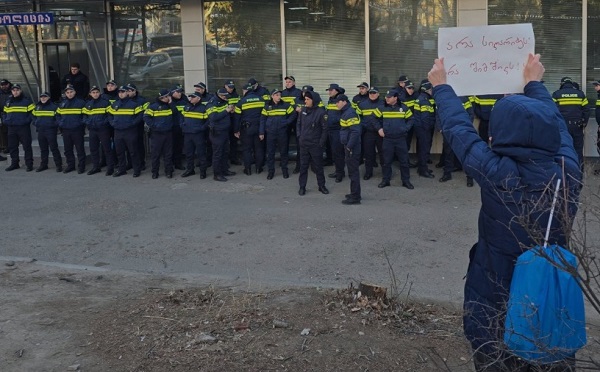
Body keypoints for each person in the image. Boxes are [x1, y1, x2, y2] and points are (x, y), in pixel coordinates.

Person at [428, 53, 582, 371]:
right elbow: (557, 126)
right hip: (551, 304)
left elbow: (459, 131)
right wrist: (534, 84)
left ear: (496, 136)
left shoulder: (497, 172)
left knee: (494, 358)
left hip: (493, 303)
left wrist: (442, 87)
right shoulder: (568, 172)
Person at [375, 90, 414, 190]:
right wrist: (379, 129)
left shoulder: (403, 108)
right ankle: (385, 180)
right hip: (388, 139)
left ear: (395, 98)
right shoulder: (382, 107)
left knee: (404, 161)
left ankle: (406, 181)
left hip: (400, 139)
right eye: (386, 97)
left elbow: (411, 119)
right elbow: (373, 118)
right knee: (386, 161)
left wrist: (405, 128)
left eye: (389, 97)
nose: (386, 98)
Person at [552, 77, 589, 170]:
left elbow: (551, 110)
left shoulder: (557, 94)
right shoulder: (580, 94)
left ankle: (564, 170)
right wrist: (584, 122)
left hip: (562, 126)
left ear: (562, 84)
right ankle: (579, 171)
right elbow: (586, 110)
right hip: (577, 126)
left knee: (563, 148)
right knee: (578, 149)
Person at [296, 90, 329, 196]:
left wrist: (321, 143)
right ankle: (302, 187)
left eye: (307, 99)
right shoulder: (303, 111)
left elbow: (325, 129)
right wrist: (299, 136)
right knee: (303, 167)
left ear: (313, 100)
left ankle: (321, 186)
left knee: (318, 167)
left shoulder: (321, 112)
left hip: (315, 145)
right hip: (304, 143)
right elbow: (299, 124)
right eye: (305, 99)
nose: (305, 101)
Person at [260, 88, 297, 180]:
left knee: (284, 152)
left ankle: (285, 171)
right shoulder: (267, 106)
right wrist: (261, 132)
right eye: (276, 95)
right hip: (271, 132)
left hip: (282, 132)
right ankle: (271, 172)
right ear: (272, 96)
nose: (279, 97)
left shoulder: (285, 105)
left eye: (280, 95)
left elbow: (293, 114)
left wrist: (286, 122)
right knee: (271, 153)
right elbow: (262, 119)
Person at [108, 85, 144, 177]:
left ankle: (137, 170)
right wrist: (113, 123)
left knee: (133, 152)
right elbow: (109, 115)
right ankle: (122, 169)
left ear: (127, 93)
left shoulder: (134, 104)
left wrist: (132, 124)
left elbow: (140, 116)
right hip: (118, 131)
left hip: (130, 132)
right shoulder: (115, 104)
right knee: (119, 152)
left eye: (123, 92)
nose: (121, 94)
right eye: (119, 92)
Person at [234, 82, 265, 175]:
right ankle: (258, 168)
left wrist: (236, 130)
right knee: (258, 148)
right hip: (259, 128)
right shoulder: (261, 100)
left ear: (245, 91)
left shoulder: (241, 102)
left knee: (247, 149)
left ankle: (248, 169)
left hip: (246, 129)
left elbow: (237, 118)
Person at [144, 89, 175, 179]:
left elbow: (176, 113)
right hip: (157, 134)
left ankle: (168, 171)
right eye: (163, 97)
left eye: (167, 97)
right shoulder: (153, 106)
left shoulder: (170, 106)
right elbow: (146, 117)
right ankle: (155, 172)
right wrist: (154, 126)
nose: (165, 99)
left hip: (168, 133)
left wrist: (171, 103)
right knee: (155, 154)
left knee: (168, 154)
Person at [83, 86, 114, 176]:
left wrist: (103, 123)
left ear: (99, 93)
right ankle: (96, 167)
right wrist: (88, 123)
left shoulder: (106, 103)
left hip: (103, 129)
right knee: (93, 149)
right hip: (92, 130)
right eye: (93, 92)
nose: (95, 94)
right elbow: (84, 116)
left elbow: (110, 115)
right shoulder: (88, 104)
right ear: (90, 94)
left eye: (97, 92)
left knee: (107, 149)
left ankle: (110, 168)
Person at [336, 94, 362, 204]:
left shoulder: (350, 113)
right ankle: (354, 193)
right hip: (349, 146)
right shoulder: (346, 112)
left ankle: (355, 197)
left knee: (353, 172)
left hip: (352, 147)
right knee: (352, 172)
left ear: (344, 102)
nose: (336, 104)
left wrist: (349, 146)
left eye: (338, 102)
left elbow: (355, 132)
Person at [207, 88, 236, 181]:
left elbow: (225, 114)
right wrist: (226, 111)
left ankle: (224, 170)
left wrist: (231, 111)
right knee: (217, 154)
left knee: (225, 152)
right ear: (219, 95)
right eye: (224, 96)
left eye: (226, 96)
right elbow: (214, 117)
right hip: (217, 132)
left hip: (224, 131)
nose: (225, 97)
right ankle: (217, 174)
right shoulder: (212, 103)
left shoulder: (224, 101)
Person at [57, 85, 87, 174]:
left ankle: (81, 167)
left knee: (80, 149)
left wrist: (81, 123)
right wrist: (61, 123)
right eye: (67, 92)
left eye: (71, 92)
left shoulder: (81, 103)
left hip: (77, 130)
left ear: (75, 92)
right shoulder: (62, 103)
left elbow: (85, 115)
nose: (69, 94)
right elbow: (57, 115)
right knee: (68, 150)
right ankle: (70, 165)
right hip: (66, 130)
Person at [357, 86, 384, 180]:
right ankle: (368, 172)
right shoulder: (362, 104)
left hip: (381, 133)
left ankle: (385, 173)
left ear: (378, 94)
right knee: (368, 154)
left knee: (383, 154)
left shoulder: (383, 104)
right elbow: (358, 118)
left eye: (374, 93)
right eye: (370, 93)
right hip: (368, 133)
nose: (372, 95)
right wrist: (363, 126)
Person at [181, 91, 209, 179]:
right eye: (190, 97)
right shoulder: (186, 106)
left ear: (198, 98)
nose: (191, 98)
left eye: (193, 97)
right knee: (189, 154)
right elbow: (181, 118)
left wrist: (201, 128)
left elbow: (208, 121)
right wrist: (182, 126)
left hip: (198, 134)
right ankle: (190, 170)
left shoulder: (203, 108)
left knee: (201, 153)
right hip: (187, 134)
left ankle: (203, 171)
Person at [32, 91, 62, 172]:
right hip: (41, 130)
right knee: (43, 149)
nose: (43, 98)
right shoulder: (37, 106)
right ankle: (43, 165)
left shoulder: (54, 107)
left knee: (54, 148)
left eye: (45, 97)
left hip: (51, 131)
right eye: (42, 97)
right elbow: (33, 117)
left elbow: (59, 118)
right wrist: (36, 123)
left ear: (49, 98)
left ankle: (59, 165)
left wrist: (53, 125)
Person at [412, 80, 436, 179]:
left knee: (422, 149)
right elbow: (425, 118)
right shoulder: (424, 100)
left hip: (420, 128)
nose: (432, 91)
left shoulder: (420, 98)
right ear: (427, 90)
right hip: (424, 129)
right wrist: (428, 129)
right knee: (424, 149)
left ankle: (422, 168)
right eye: (431, 89)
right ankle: (423, 170)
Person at [325, 83, 346, 183]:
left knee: (338, 153)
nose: (329, 92)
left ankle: (340, 174)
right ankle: (338, 171)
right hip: (330, 130)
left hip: (338, 130)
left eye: (331, 90)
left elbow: (344, 114)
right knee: (334, 152)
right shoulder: (331, 100)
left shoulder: (340, 100)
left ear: (336, 91)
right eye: (328, 90)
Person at [126, 83, 148, 171]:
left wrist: (135, 121)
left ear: (135, 91)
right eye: (126, 91)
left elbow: (144, 113)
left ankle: (141, 163)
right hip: (128, 126)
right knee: (129, 146)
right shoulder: (125, 100)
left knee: (139, 145)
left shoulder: (142, 100)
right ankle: (130, 163)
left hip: (138, 126)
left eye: (129, 91)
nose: (127, 93)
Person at [169, 85, 188, 170]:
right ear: (172, 92)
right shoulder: (167, 100)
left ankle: (177, 163)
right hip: (170, 126)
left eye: (181, 92)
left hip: (179, 126)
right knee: (170, 146)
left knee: (178, 146)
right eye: (178, 92)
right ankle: (170, 163)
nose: (180, 93)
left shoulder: (184, 100)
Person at [224, 80, 241, 165]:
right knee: (224, 142)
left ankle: (234, 158)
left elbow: (239, 105)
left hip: (234, 119)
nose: (231, 89)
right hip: (225, 120)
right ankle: (225, 161)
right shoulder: (222, 95)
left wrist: (234, 109)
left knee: (234, 141)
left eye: (232, 87)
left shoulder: (236, 95)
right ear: (225, 86)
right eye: (229, 87)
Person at [0, 79, 12, 157]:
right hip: (2, 114)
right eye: (2, 85)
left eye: (5, 84)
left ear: (8, 84)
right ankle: (6, 147)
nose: (4, 86)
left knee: (11, 132)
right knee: (4, 132)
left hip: (11, 114)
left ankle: (12, 147)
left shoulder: (13, 91)